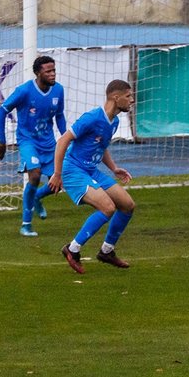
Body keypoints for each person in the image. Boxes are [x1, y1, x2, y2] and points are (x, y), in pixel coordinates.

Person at [48, 79, 136, 273]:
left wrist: (114, 168)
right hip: (73, 170)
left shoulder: (114, 122)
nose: (132, 100)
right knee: (107, 207)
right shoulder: (92, 118)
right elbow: (63, 141)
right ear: (116, 97)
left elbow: (101, 146)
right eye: (128, 96)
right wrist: (57, 173)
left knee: (127, 205)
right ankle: (72, 249)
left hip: (91, 170)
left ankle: (107, 251)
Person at [0, 55, 66, 237]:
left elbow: (59, 116)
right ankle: (26, 225)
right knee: (34, 174)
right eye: (48, 71)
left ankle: (37, 196)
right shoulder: (24, 90)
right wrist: (2, 141)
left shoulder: (58, 90)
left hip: (48, 142)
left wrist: (66, 138)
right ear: (37, 73)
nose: (52, 74)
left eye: (54, 70)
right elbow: (2, 111)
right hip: (27, 140)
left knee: (59, 182)